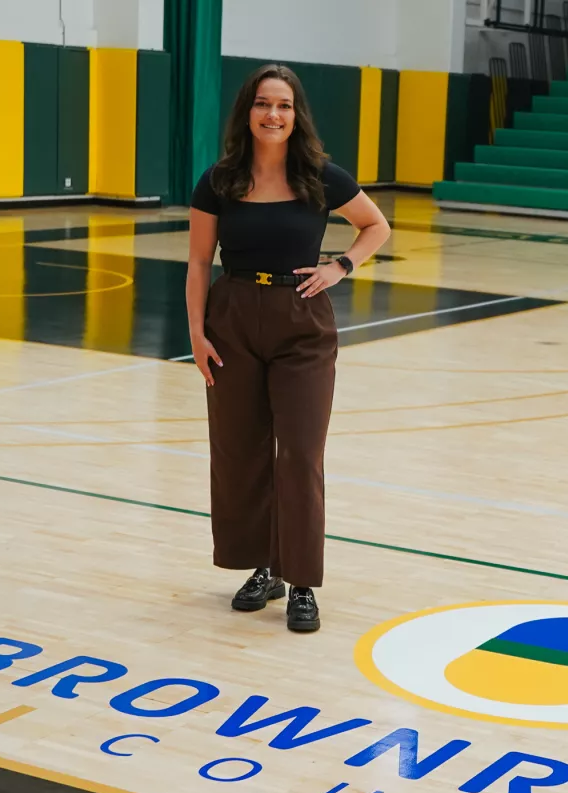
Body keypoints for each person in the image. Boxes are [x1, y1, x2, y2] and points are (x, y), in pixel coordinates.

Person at [185, 63, 391, 633]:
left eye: (284, 105)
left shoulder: (320, 176)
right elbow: (200, 262)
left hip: (301, 323)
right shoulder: (219, 180)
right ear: (246, 113)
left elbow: (376, 227)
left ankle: (301, 581)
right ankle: (263, 568)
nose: (273, 115)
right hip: (232, 323)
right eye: (262, 104)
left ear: (296, 115)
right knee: (240, 454)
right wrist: (197, 333)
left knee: (299, 455)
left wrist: (341, 266)